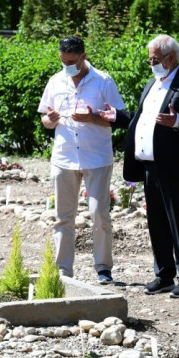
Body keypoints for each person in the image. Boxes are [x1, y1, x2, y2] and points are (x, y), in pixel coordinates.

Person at [99, 35, 179, 297]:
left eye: (155, 59)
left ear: (171, 58)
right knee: (157, 223)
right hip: (151, 166)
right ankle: (164, 275)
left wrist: (177, 121)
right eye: (150, 59)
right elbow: (143, 119)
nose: (151, 63)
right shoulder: (152, 83)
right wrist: (116, 116)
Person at [38, 36, 126, 284]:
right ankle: (63, 271)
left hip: (96, 156)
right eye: (63, 61)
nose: (67, 66)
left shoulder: (103, 81)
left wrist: (92, 118)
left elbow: (118, 118)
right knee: (63, 216)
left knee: (99, 213)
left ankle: (103, 268)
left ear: (83, 56)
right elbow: (45, 120)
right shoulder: (56, 81)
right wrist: (51, 119)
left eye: (72, 62)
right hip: (64, 157)